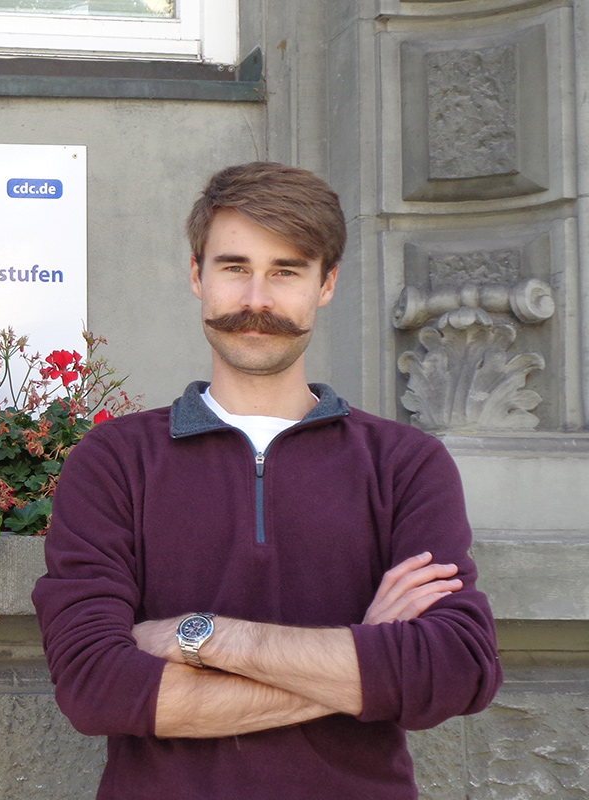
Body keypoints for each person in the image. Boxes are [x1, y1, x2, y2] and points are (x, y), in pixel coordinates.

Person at [32, 162, 502, 799]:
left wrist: (201, 636)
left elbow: (455, 670)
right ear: (197, 275)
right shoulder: (114, 459)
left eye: (286, 270)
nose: (257, 299)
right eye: (234, 267)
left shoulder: (404, 463)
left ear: (326, 283)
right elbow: (96, 689)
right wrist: (367, 656)